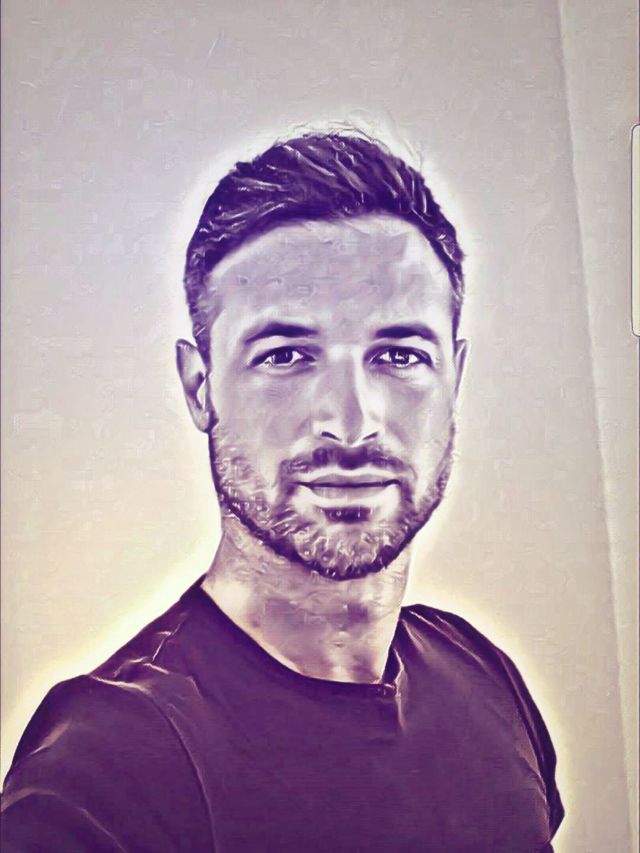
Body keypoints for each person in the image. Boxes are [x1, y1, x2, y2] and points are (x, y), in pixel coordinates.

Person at [1, 132, 564, 852]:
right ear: (200, 387)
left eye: (399, 354)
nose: (351, 425)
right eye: (287, 355)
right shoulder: (102, 772)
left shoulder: (484, 675)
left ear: (454, 379)